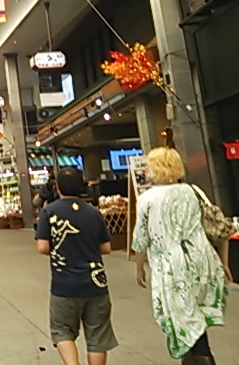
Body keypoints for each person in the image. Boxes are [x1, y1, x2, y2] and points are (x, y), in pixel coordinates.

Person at [132, 147, 228, 364]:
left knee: (185, 322)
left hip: (173, 266)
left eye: (148, 165)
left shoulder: (147, 198)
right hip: (202, 260)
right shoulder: (193, 191)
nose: (145, 169)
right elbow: (218, 225)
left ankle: (204, 359)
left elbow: (140, 238)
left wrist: (139, 267)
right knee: (193, 319)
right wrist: (224, 262)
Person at [35, 167, 117, 365]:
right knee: (97, 335)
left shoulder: (49, 211)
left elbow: (42, 247)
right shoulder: (94, 212)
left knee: (62, 330)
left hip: (64, 284)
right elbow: (106, 248)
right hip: (95, 283)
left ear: (57, 187)